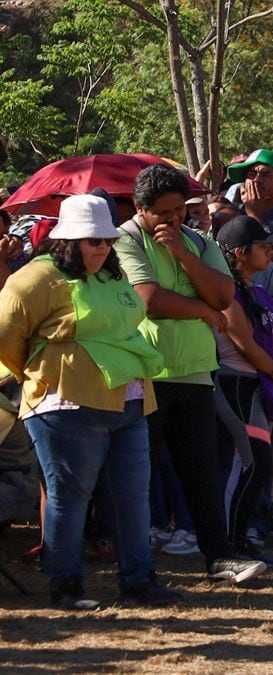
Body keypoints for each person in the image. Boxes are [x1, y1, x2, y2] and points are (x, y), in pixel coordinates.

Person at [0, 195, 180, 609]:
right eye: (92, 240)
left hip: (130, 400)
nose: (101, 247)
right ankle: (65, 584)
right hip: (66, 404)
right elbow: (8, 335)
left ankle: (138, 581)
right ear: (68, 240)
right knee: (69, 495)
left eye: (106, 240)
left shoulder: (113, 276)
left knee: (135, 496)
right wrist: (38, 374)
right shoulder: (34, 278)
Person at [114, 164, 267, 584]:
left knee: (202, 472)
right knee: (137, 474)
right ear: (141, 209)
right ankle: (137, 567)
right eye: (164, 212)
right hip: (144, 374)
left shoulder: (198, 242)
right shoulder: (125, 240)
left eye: (181, 209)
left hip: (196, 374)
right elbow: (148, 299)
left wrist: (182, 253)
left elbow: (224, 293)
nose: (174, 218)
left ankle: (218, 558)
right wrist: (200, 308)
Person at [212, 216, 273, 564]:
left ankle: (241, 540)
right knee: (253, 464)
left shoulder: (259, 291)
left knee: (258, 465)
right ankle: (231, 544)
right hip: (236, 384)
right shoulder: (228, 295)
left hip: (260, 384)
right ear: (239, 253)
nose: (269, 249)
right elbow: (244, 344)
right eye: (262, 245)